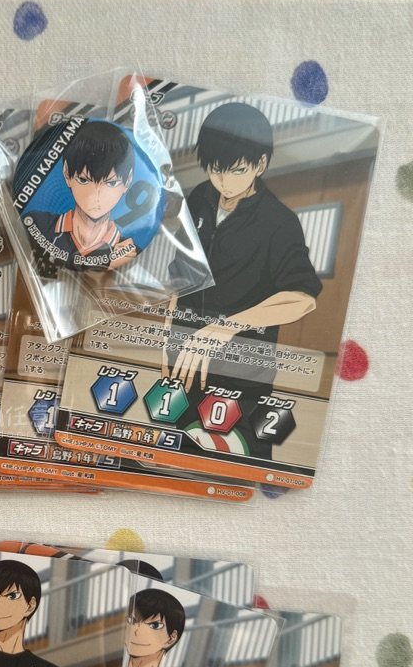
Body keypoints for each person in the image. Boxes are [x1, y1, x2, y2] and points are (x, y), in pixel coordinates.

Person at [165, 102, 322, 458]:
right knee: (175, 455)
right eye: (216, 170)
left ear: (260, 165)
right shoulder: (200, 198)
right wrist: (168, 337)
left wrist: (225, 327)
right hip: (185, 360)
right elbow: (182, 273)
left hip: (242, 371)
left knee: (240, 460)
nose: (225, 182)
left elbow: (302, 297)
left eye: (237, 170)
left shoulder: (279, 222)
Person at [24, 120, 139, 270]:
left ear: (128, 181)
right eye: (84, 180)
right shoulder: (38, 224)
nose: (96, 195)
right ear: (66, 173)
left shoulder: (128, 250)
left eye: (111, 183)